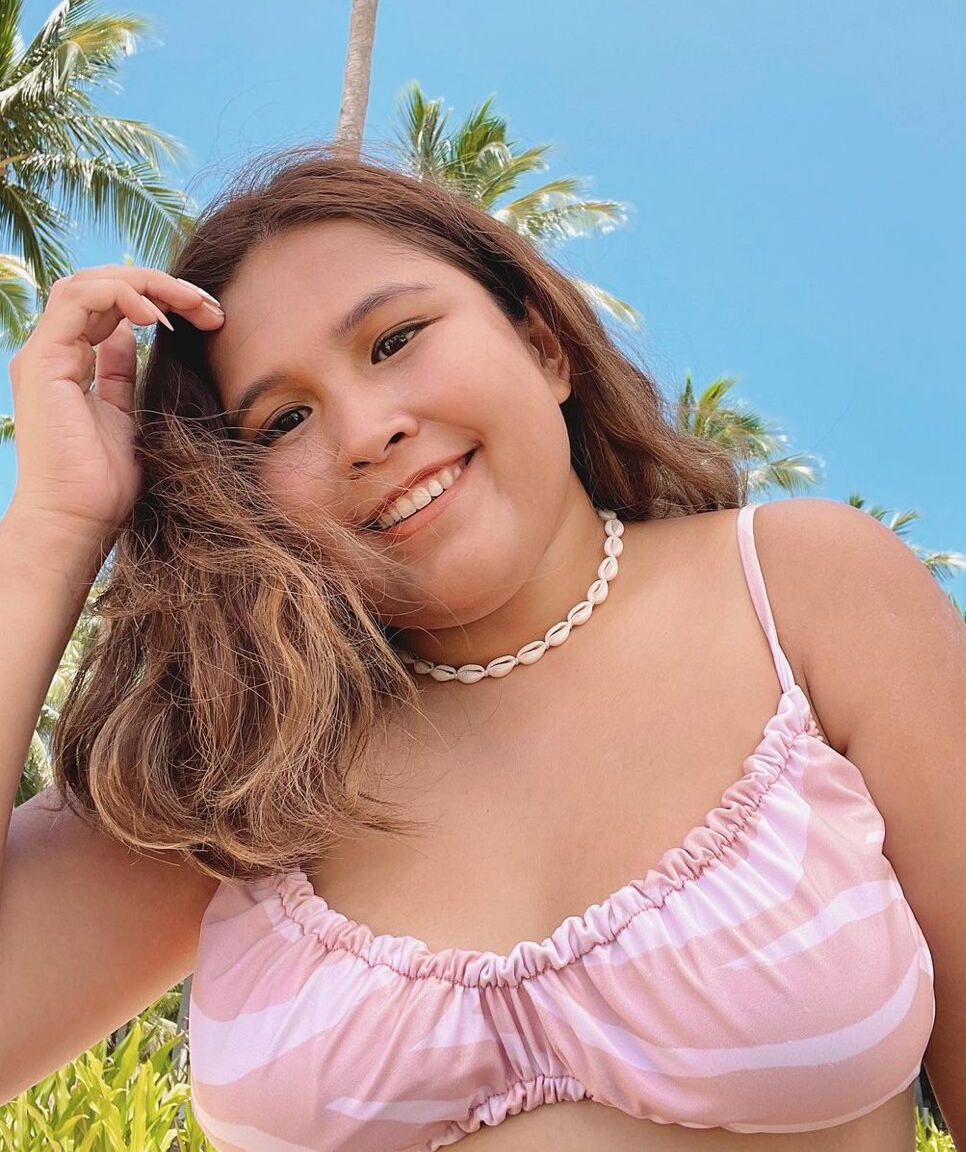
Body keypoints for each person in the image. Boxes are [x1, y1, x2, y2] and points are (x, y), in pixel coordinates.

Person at [0, 145, 962, 1152]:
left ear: (543, 345)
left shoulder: (802, 591)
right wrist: (54, 531)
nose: (366, 432)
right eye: (283, 419)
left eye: (394, 339)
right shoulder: (246, 772)